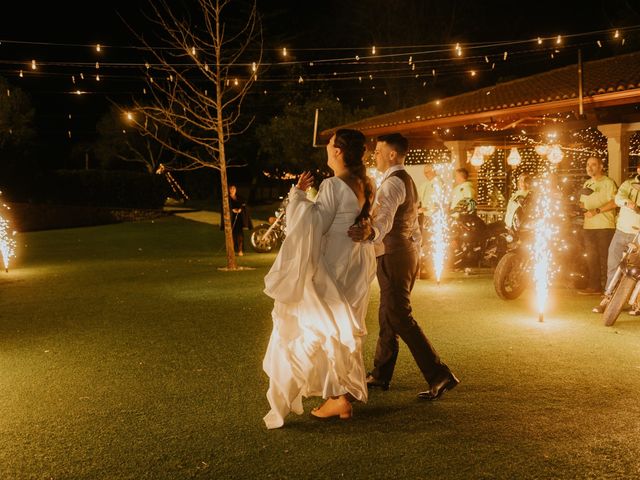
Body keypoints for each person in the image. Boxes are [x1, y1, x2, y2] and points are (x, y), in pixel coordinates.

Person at [262, 129, 376, 429]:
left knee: (317, 331)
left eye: (330, 142)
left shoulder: (334, 184)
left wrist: (297, 196)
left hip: (333, 268)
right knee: (336, 332)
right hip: (354, 265)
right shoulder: (364, 182)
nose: (326, 146)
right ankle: (340, 398)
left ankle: (335, 396)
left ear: (338, 151)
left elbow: (315, 224)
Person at [348, 133, 459, 400]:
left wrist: (370, 233)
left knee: (399, 315)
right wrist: (415, 249)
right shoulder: (406, 180)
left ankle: (439, 374)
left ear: (392, 155)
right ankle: (380, 373)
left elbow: (384, 219)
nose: (373, 155)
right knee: (388, 313)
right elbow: (413, 223)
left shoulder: (393, 184)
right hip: (404, 252)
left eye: (378, 151)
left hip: (395, 255)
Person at [592, 165, 640, 313]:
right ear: (638, 169)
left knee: (638, 269)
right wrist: (629, 203)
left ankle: (637, 303)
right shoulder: (628, 184)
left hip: (638, 235)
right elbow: (619, 198)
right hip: (621, 231)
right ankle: (608, 298)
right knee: (613, 265)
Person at [578, 157, 617, 295]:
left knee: (605, 258)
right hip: (588, 227)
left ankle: (608, 288)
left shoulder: (608, 183)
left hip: (605, 226)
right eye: (588, 164)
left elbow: (614, 202)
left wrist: (597, 210)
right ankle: (594, 287)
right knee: (591, 257)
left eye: (593, 164)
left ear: (601, 166)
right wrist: (580, 208)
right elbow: (583, 203)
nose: (590, 167)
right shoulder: (587, 183)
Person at [222, 185, 252, 256]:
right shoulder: (227, 198)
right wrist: (232, 210)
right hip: (231, 218)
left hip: (239, 218)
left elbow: (243, 205)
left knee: (240, 234)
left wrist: (240, 209)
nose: (232, 190)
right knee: (232, 234)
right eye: (231, 189)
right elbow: (226, 207)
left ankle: (240, 250)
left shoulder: (239, 197)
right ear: (229, 190)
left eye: (234, 188)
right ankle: (231, 250)